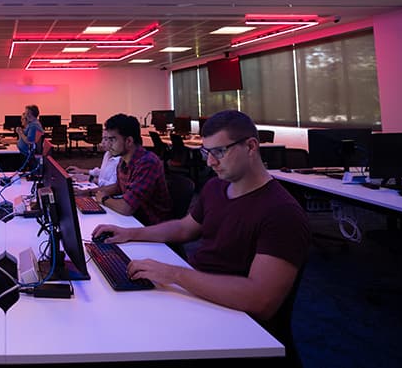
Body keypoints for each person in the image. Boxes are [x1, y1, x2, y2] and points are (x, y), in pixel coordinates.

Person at [92, 110, 310, 366]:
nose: (210, 163)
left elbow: (260, 300)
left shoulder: (281, 212)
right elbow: (184, 228)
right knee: (113, 319)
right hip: (200, 296)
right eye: (207, 153)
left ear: (251, 146)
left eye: (219, 152)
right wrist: (131, 234)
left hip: (236, 324)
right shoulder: (216, 187)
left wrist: (174, 274)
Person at [93, 113, 171, 225]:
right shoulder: (123, 160)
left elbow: (127, 208)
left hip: (149, 224)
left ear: (129, 141)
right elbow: (119, 187)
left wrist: (104, 199)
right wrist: (89, 193)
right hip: (133, 218)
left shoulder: (147, 163)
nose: (108, 145)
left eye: (112, 140)